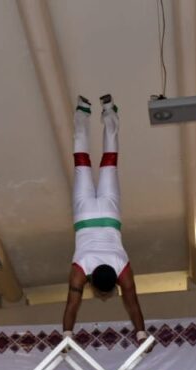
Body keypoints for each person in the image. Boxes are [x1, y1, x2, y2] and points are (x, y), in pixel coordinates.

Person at [63, 94, 147, 343]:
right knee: (82, 161)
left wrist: (142, 332)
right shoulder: (81, 269)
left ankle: (109, 110)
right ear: (91, 283)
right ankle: (82, 110)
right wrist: (66, 334)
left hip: (110, 214)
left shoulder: (122, 267)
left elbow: (133, 305)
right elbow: (71, 306)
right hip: (84, 215)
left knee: (109, 161)